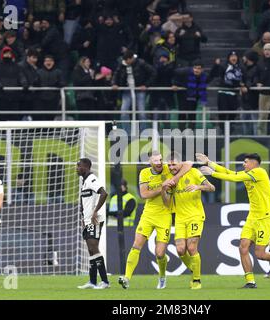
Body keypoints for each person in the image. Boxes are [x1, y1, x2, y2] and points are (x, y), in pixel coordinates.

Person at [196, 152, 270, 288]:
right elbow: (232, 174)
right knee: (243, 247)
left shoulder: (259, 172)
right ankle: (250, 281)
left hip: (265, 217)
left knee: (260, 254)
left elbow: (234, 179)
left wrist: (213, 173)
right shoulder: (247, 174)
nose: (243, 164)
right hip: (252, 216)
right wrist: (209, 163)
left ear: (254, 163)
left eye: (246, 162)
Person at [118, 150, 192, 290]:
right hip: (148, 214)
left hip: (164, 216)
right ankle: (127, 278)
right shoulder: (145, 173)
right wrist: (162, 187)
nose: (159, 163)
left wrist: (175, 179)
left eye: (160, 160)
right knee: (136, 245)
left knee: (160, 253)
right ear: (150, 163)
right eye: (156, 161)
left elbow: (189, 164)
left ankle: (162, 277)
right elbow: (144, 194)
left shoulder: (167, 168)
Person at [161, 152, 215, 289]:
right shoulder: (169, 178)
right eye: (170, 165)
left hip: (195, 216)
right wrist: (164, 190)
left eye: (174, 164)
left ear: (180, 163)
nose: (172, 167)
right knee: (180, 250)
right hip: (179, 218)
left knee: (191, 247)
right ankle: (195, 269)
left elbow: (212, 188)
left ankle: (196, 280)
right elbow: (167, 203)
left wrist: (198, 187)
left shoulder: (194, 173)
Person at [76, 158, 110, 290]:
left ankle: (105, 281)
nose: (77, 168)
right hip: (88, 220)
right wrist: (83, 218)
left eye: (79, 166)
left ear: (85, 167)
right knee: (90, 250)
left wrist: (95, 211)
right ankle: (92, 281)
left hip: (95, 220)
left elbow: (104, 193)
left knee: (93, 247)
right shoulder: (84, 182)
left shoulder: (92, 179)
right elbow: (85, 202)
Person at [112, 50, 156, 133]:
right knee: (124, 112)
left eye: (127, 60)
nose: (126, 62)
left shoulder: (141, 63)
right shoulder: (122, 65)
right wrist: (114, 83)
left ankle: (144, 133)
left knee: (141, 112)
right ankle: (127, 133)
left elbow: (153, 72)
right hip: (127, 90)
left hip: (139, 90)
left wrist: (146, 85)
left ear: (131, 58)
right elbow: (116, 75)